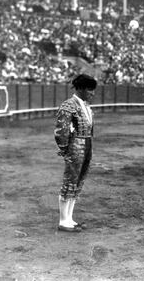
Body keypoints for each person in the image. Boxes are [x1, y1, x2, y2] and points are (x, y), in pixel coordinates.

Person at [54, 74, 97, 232]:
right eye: (90, 90)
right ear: (81, 89)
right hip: (75, 147)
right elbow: (61, 131)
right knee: (70, 182)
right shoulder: (68, 105)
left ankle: (69, 219)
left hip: (86, 146)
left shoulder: (85, 106)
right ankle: (63, 221)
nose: (92, 93)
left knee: (78, 182)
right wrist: (65, 149)